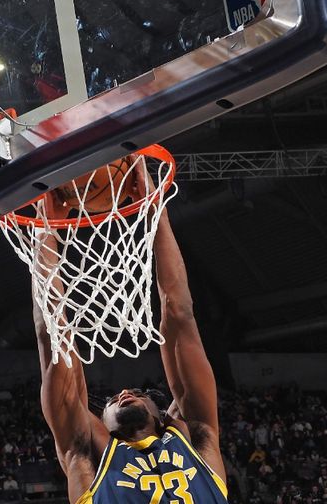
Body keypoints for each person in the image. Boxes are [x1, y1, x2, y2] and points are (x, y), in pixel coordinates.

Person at [32, 160, 227, 503]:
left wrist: (158, 214)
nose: (122, 392)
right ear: (100, 423)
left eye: (127, 394)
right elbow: (53, 337)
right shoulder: (86, 455)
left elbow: (179, 313)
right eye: (111, 401)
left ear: (162, 413)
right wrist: (45, 230)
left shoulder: (196, 436)